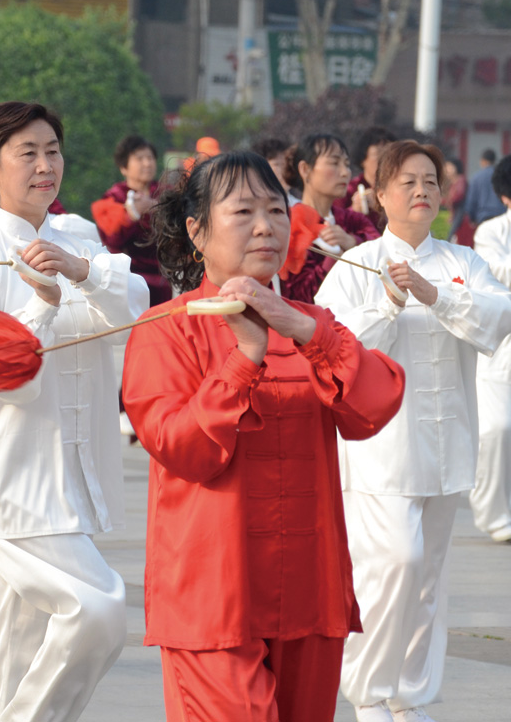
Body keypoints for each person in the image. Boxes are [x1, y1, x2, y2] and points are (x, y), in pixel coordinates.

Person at [121, 151, 406, 722]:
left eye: (276, 211)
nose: (265, 227)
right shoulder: (166, 330)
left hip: (309, 590)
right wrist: (244, 358)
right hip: (212, 596)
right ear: (196, 230)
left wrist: (304, 328)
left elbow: (375, 406)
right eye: (243, 211)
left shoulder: (310, 325)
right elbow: (183, 447)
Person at [0, 101, 149, 722]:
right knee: (98, 608)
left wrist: (82, 271)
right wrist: (42, 305)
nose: (44, 165)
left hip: (76, 469)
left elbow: (134, 311)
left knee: (24, 641)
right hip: (12, 473)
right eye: (26, 153)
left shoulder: (77, 239)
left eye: (52, 150)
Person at [315, 140, 511, 722]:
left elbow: (497, 318)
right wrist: (388, 302)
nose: (422, 190)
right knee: (393, 566)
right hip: (382, 448)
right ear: (380, 194)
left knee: (427, 578)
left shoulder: (463, 261)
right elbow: (330, 343)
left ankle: (410, 697)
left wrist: (436, 294)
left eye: (431, 180)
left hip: (448, 446)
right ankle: (369, 692)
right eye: (407, 181)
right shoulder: (357, 265)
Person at [280, 133, 380, 303]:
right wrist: (333, 257)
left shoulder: (353, 220)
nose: (345, 172)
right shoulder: (289, 224)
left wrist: (353, 243)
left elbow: (382, 255)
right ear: (305, 169)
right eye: (334, 163)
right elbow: (297, 296)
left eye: (347, 164)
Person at [470, 154, 511, 543]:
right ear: (505, 197)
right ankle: (495, 515)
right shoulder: (491, 231)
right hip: (501, 343)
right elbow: (496, 270)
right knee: (498, 428)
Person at [94, 134, 171, 307]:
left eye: (150, 158)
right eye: (140, 158)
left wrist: (154, 206)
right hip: (129, 279)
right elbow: (112, 240)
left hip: (165, 279)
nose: (147, 163)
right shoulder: (114, 197)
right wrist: (133, 214)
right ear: (124, 167)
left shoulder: (166, 193)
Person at [334, 125, 397, 232]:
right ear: (363, 159)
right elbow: (335, 223)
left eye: (389, 156)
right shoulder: (347, 190)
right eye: (378, 155)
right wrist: (354, 210)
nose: (384, 161)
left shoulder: (399, 189)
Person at [465, 148, 505, 226]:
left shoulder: (476, 178)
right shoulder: (502, 177)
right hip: (501, 217)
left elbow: (471, 201)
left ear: (483, 161)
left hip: (483, 217)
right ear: (494, 161)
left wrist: (472, 218)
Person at [441, 158, 467, 243]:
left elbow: (458, 196)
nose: (446, 169)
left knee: (452, 234)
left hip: (461, 213)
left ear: (455, 167)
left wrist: (446, 200)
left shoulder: (460, 180)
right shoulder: (452, 182)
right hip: (456, 213)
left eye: (449, 166)